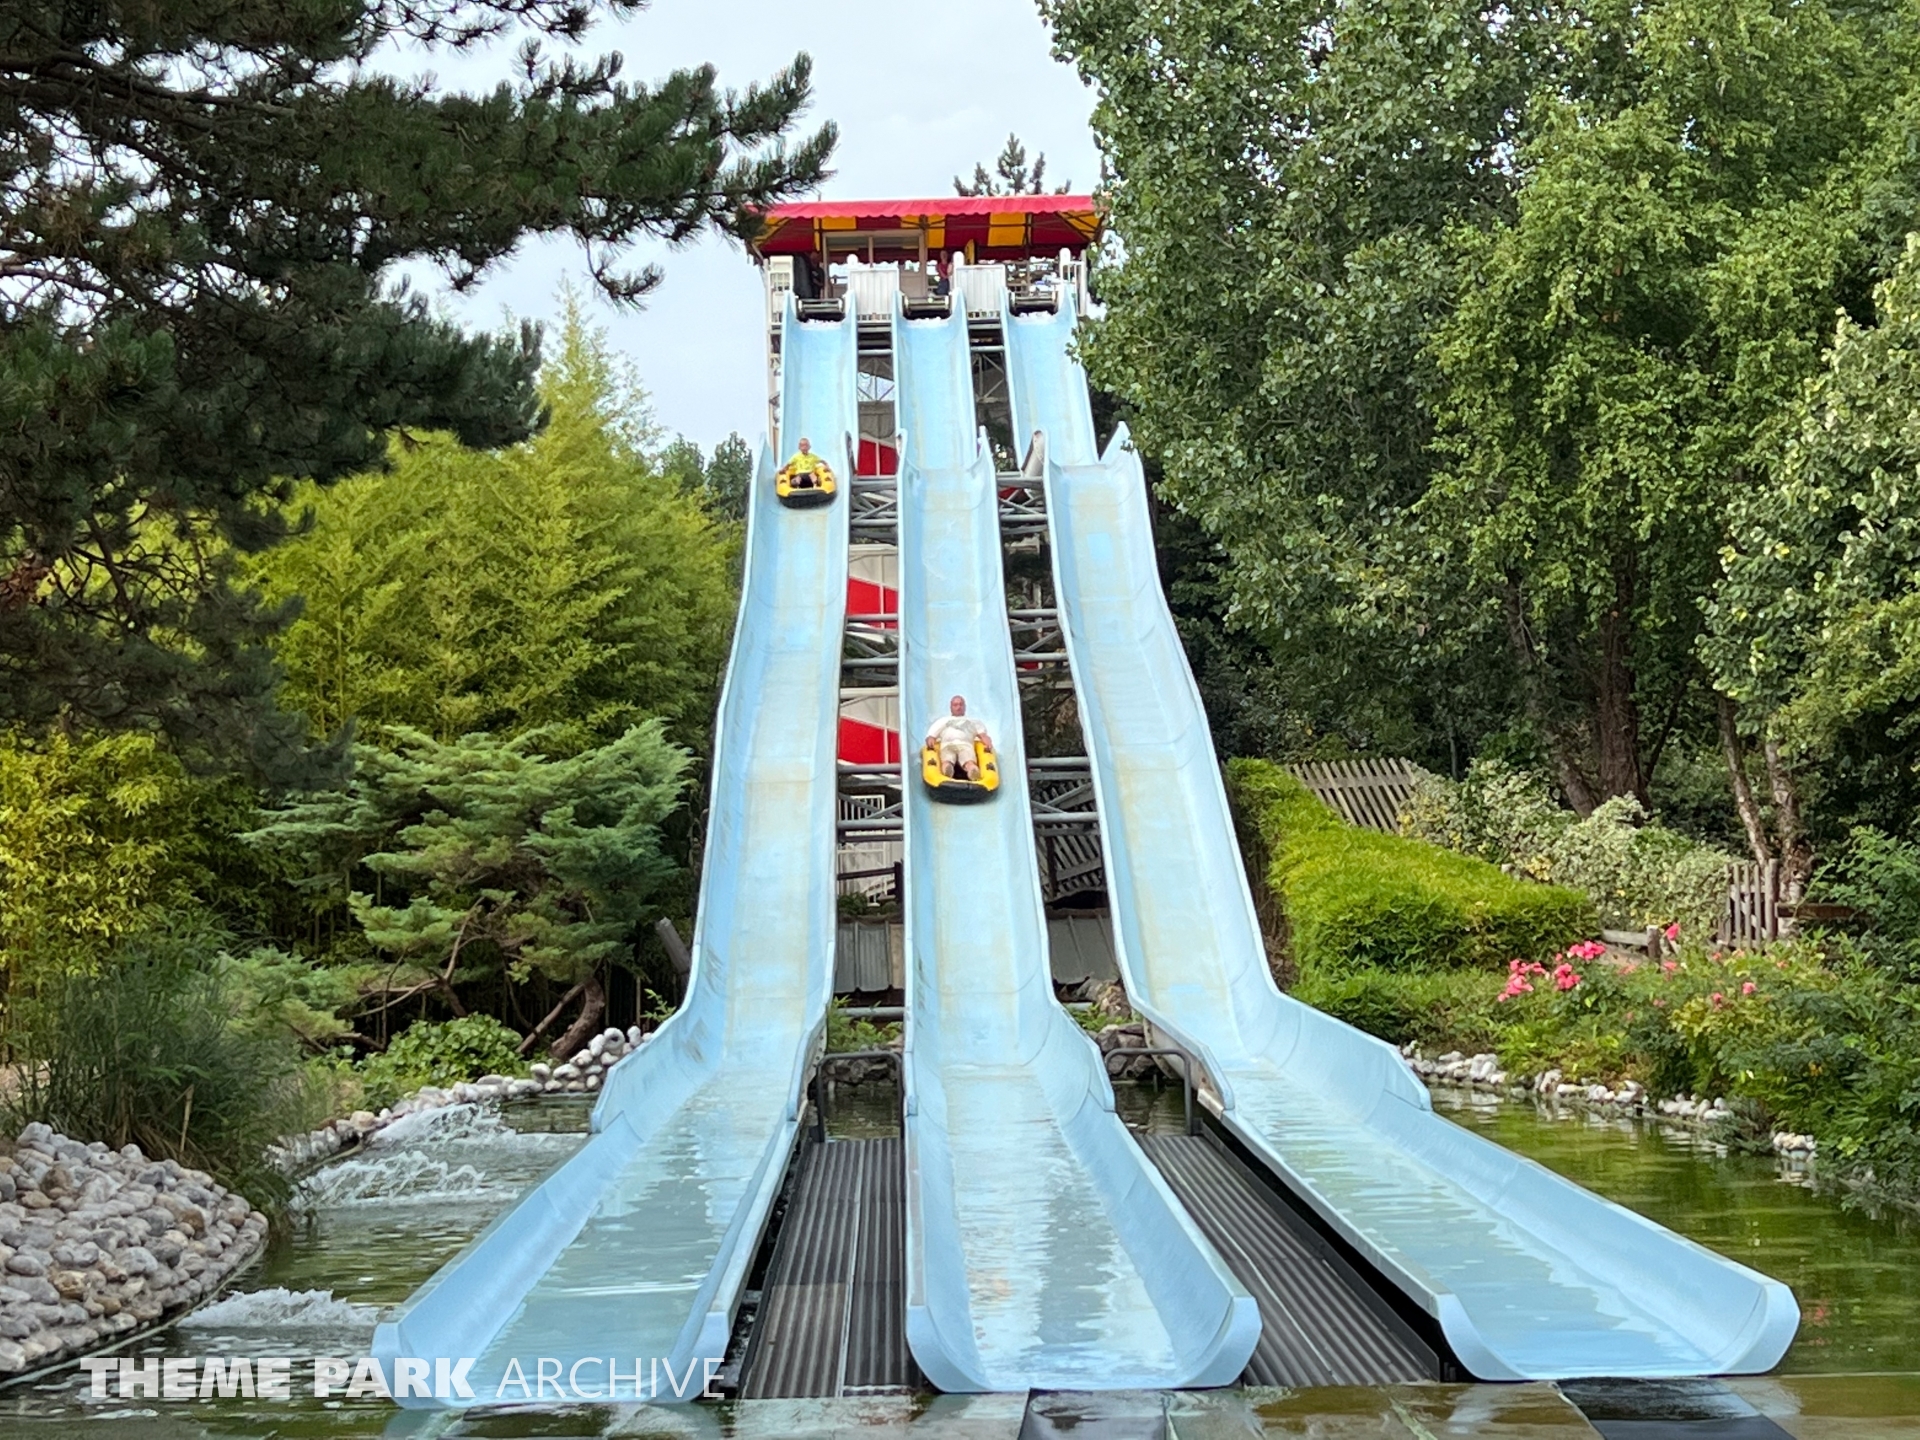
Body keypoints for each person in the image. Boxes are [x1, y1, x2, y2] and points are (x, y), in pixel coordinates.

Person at [926, 695, 991, 780]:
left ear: (965, 706)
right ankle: (947, 770)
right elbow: (931, 736)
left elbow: (983, 735)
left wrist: (987, 742)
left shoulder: (973, 722)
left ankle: (973, 771)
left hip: (965, 745)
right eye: (955, 705)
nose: (958, 707)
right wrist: (931, 740)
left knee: (968, 760)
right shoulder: (943, 721)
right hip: (948, 745)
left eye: (961, 704)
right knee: (947, 759)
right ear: (951, 707)